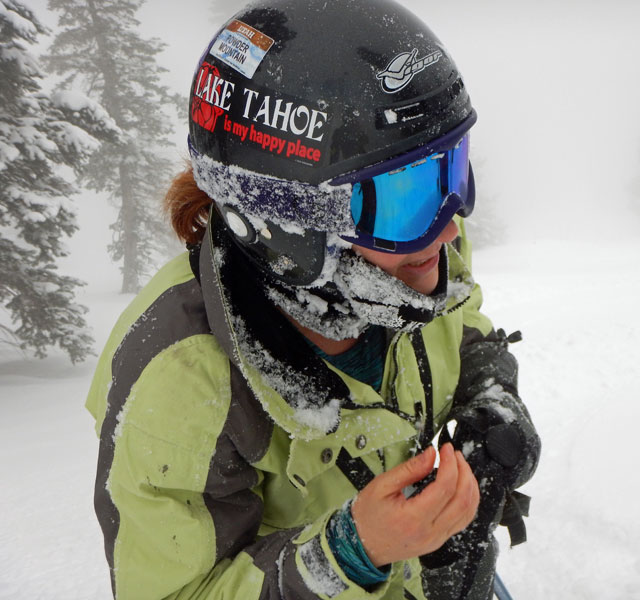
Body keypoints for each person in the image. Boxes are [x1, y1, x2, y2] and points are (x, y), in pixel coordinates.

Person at [86, 1, 541, 598]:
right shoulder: (180, 384)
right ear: (287, 223)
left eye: (450, 172)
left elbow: (462, 322)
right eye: (407, 194)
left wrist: (491, 389)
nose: (450, 227)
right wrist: (348, 555)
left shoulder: (410, 261)